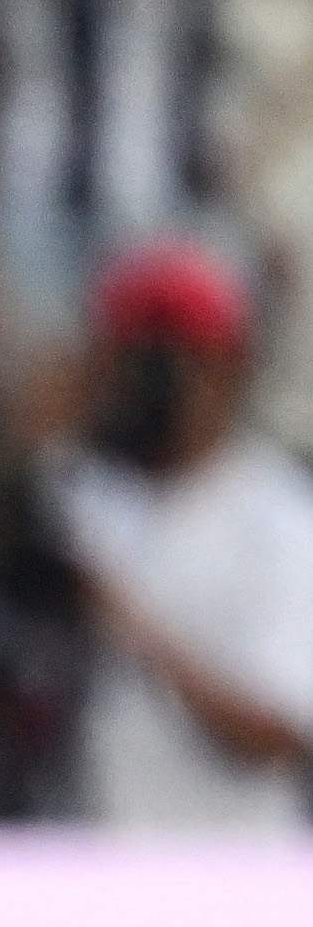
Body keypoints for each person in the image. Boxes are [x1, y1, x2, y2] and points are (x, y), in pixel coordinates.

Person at [49, 240, 313, 827]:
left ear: (229, 368)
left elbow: (279, 735)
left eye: (170, 361)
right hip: (87, 868)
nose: (145, 386)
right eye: (126, 360)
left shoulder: (281, 518)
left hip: (233, 875)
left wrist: (132, 627)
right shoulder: (77, 493)